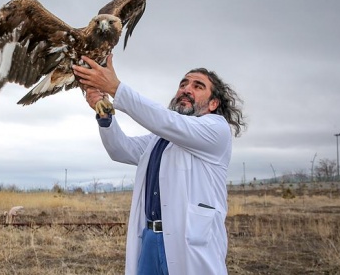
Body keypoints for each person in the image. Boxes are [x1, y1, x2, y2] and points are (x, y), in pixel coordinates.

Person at [73, 54, 246, 275]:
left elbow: (166, 120)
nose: (186, 89)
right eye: (183, 84)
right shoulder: (160, 139)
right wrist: (104, 111)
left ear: (213, 103)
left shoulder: (216, 129)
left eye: (198, 86)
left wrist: (115, 88)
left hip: (189, 243)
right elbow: (120, 149)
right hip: (150, 240)